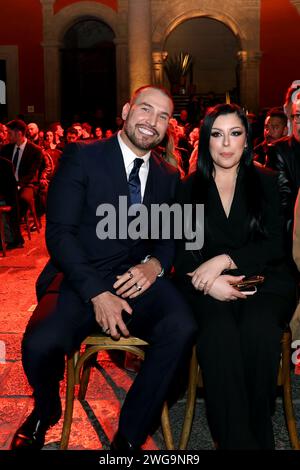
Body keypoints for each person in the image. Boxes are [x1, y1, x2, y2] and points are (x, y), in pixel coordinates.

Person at [10, 85, 196, 450]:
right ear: (127, 110)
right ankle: (45, 410)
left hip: (135, 282)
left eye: (163, 116)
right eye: (146, 109)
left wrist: (156, 264)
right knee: (39, 344)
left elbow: (171, 236)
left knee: (182, 326)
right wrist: (96, 292)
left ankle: (129, 436)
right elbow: (61, 233)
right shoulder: (83, 156)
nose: (152, 122)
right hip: (80, 277)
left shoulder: (167, 175)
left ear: (168, 127)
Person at [173, 103, 297, 449]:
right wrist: (210, 281)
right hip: (205, 286)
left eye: (235, 133)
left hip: (266, 281)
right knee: (220, 336)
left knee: (258, 332)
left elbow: (274, 245)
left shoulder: (267, 181)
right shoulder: (188, 188)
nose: (226, 144)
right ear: (206, 141)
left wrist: (225, 260)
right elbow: (184, 251)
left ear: (247, 140)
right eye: (217, 134)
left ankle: (259, 436)